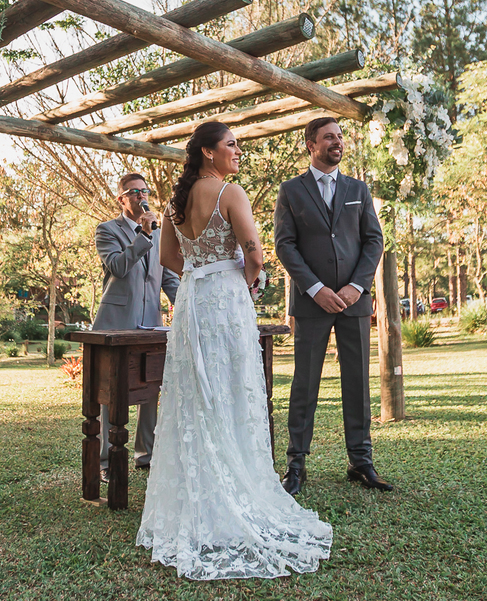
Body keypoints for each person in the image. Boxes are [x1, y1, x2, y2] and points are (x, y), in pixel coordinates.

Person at [136, 121, 331, 580]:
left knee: (194, 396)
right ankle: (237, 492)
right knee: (230, 389)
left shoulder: (174, 203)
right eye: (231, 145)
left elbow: (168, 259)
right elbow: (256, 252)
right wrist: (241, 280)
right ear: (208, 152)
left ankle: (197, 497)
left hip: (191, 303)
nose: (237, 152)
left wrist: (202, 271)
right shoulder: (229, 192)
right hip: (223, 301)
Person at [274, 117, 389, 496]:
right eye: (329, 137)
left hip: (355, 302)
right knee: (304, 383)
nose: (337, 143)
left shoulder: (359, 188)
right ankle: (296, 465)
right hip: (312, 303)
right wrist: (316, 288)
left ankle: (361, 461)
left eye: (340, 137)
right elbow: (284, 245)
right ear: (311, 144)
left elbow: (373, 240)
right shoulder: (290, 190)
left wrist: (358, 287)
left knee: (356, 381)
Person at [92, 173, 180, 481]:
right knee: (108, 396)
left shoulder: (157, 234)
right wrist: (142, 235)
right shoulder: (107, 230)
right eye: (134, 192)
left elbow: (167, 277)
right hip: (114, 325)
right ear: (121, 199)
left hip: (150, 325)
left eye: (144, 191)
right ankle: (105, 462)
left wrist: (189, 301)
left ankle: (147, 454)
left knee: (150, 389)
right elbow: (117, 266)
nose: (141, 196)